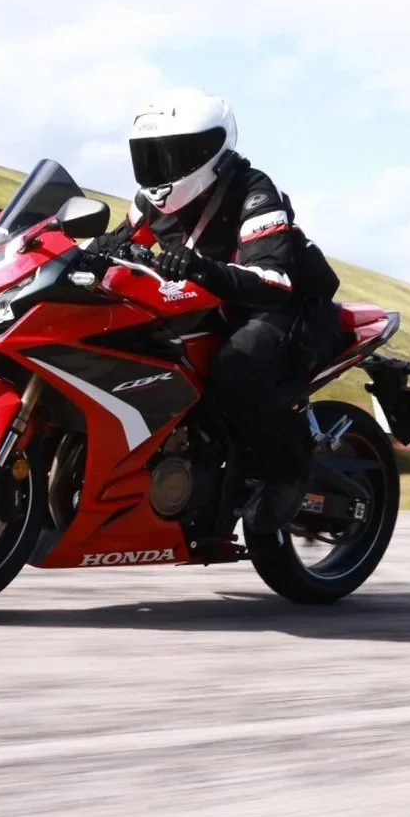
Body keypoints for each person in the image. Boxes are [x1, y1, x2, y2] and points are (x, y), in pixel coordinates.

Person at [86, 87, 345, 532]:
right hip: (217, 304)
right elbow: (116, 242)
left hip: (288, 308)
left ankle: (287, 474)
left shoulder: (253, 193)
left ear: (211, 151)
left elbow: (274, 281)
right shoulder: (151, 201)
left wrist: (202, 269)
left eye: (173, 155)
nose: (160, 170)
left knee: (233, 370)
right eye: (151, 156)